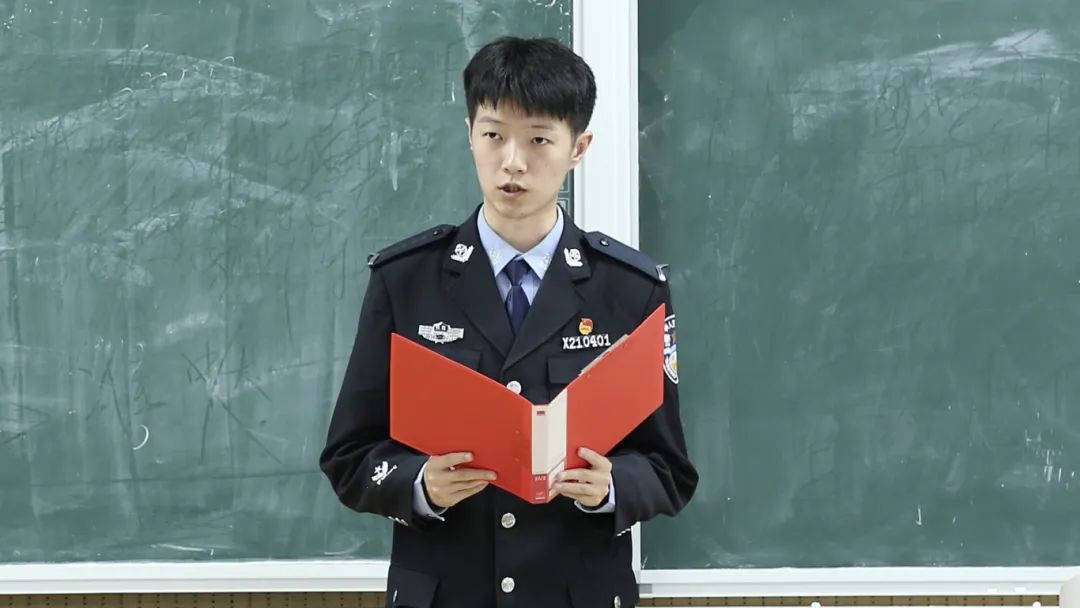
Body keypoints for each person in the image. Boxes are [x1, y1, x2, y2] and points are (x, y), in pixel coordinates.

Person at [320, 35, 697, 608]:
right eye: (494, 135)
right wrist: (419, 485)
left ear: (579, 147)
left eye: (539, 139)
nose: (513, 162)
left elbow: (669, 469)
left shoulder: (630, 290)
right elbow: (349, 455)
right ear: (469, 135)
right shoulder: (406, 280)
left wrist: (611, 486)